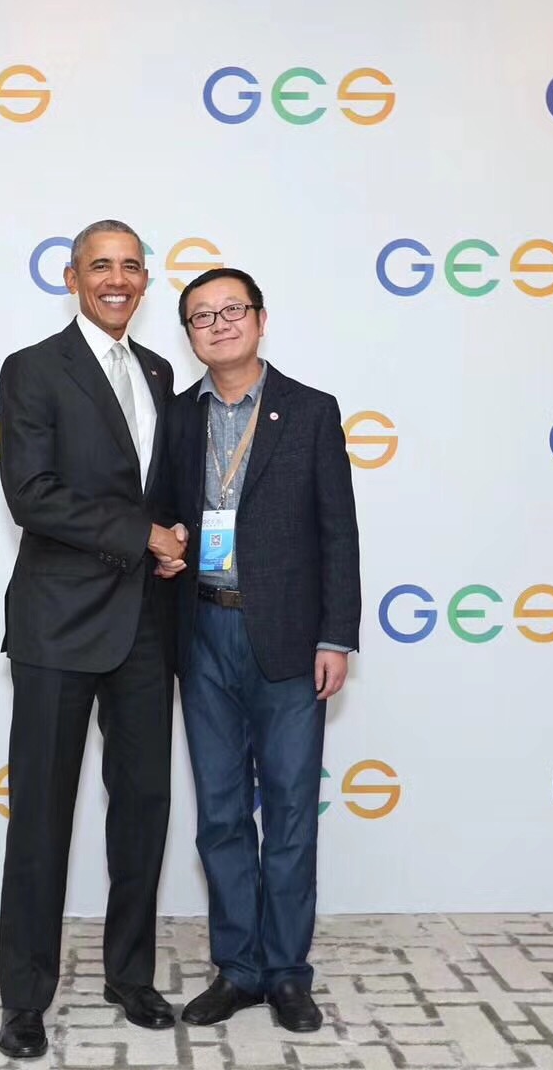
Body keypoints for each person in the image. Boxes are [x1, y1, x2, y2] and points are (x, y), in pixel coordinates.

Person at [0, 219, 189, 1060]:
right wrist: (144, 534)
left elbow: (157, 488)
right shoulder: (33, 368)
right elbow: (31, 494)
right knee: (42, 816)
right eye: (100, 266)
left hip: (145, 624)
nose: (117, 279)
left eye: (131, 267)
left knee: (143, 808)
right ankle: (25, 999)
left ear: (146, 281)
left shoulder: (160, 370)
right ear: (72, 277)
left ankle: (130, 976)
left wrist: (176, 541)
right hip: (58, 624)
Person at [154, 266, 361, 1033]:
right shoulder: (177, 417)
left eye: (231, 310)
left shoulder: (310, 411)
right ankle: (237, 969)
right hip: (202, 632)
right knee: (219, 814)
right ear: (189, 334)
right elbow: (163, 515)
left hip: (289, 640)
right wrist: (165, 546)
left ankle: (287, 973)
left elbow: (339, 531)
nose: (219, 324)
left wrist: (336, 635)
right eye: (201, 316)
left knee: (292, 814)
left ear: (260, 319)